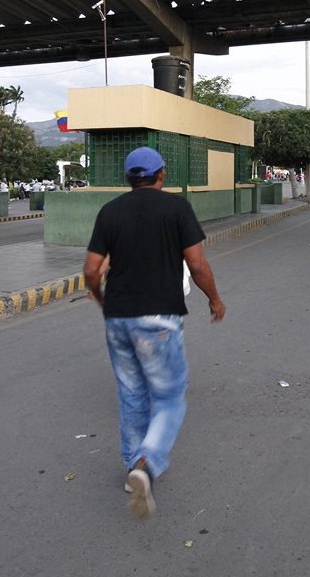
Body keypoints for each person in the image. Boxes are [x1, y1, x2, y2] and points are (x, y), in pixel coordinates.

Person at [83, 147, 226, 519]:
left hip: (118, 318)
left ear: (129, 178)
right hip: (159, 319)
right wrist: (214, 299)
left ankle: (133, 466)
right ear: (161, 175)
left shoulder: (110, 211)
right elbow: (196, 263)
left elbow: (91, 270)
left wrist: (102, 300)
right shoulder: (177, 209)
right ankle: (147, 464)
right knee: (169, 397)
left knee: (131, 392)